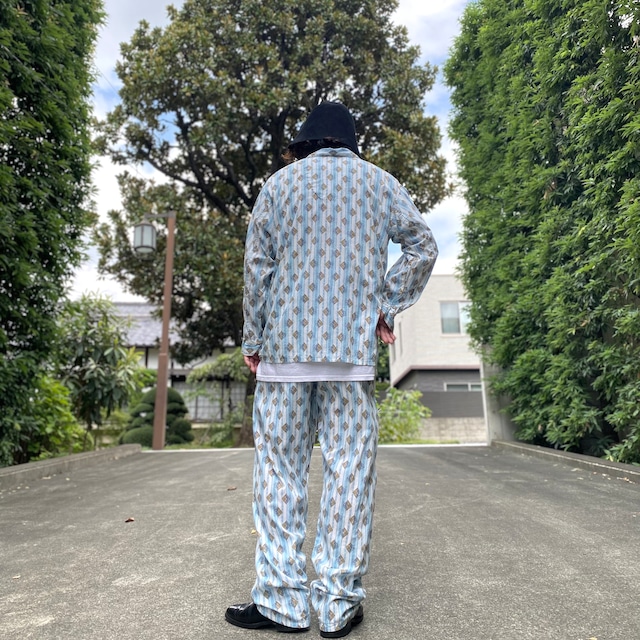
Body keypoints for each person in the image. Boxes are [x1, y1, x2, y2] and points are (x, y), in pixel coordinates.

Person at [225, 101, 438, 638]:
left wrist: (253, 338)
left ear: (305, 143)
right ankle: (339, 604)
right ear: (349, 144)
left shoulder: (278, 186)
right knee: (349, 472)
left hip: (284, 353)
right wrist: (385, 307)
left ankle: (282, 602)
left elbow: (257, 268)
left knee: (279, 474)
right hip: (350, 355)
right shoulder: (380, 183)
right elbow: (422, 247)